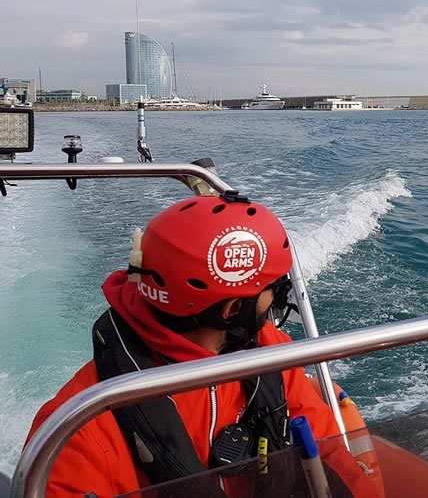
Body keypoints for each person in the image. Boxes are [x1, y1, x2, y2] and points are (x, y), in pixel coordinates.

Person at [26, 192, 378, 498]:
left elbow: (328, 450)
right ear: (232, 310)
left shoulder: (271, 352)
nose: (277, 299)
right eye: (272, 288)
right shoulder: (75, 430)